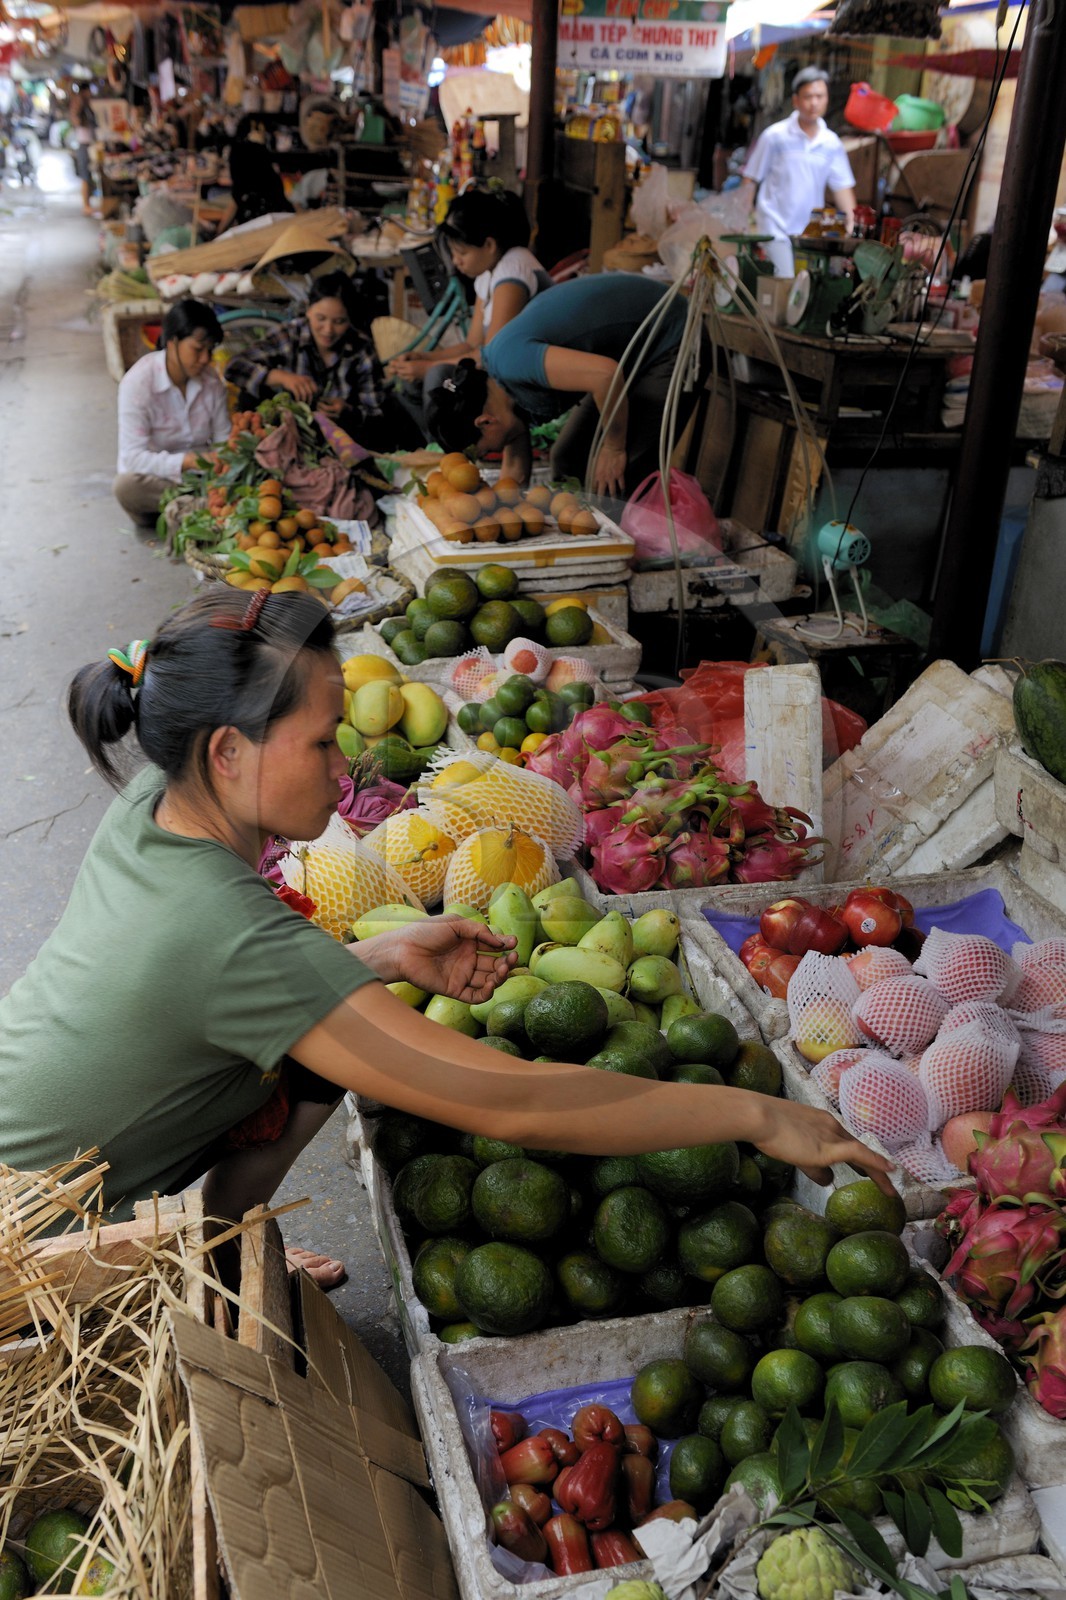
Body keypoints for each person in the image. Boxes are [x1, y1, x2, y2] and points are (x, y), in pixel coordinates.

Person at [0, 587, 894, 1287]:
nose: (345, 763)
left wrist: (379, 956)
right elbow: (515, 1103)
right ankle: (192, 1269)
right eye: (320, 744)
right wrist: (760, 1115)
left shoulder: (154, 802)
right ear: (228, 752)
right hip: (34, 1254)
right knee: (338, 1046)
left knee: (322, 1049)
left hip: (36, 1164)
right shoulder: (227, 930)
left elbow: (199, 993)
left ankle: (223, 1251)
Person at [424, 273, 709, 500]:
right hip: (624, 356)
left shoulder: (511, 362)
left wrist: (614, 448)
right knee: (568, 458)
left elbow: (605, 376)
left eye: (484, 450)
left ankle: (621, 556)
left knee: (621, 475)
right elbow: (515, 459)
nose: (488, 455)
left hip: (671, 337)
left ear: (484, 421)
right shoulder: (501, 396)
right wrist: (501, 510)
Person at [387, 188, 553, 385]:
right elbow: (472, 344)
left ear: (489, 245)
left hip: (532, 377)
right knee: (433, 378)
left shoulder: (513, 271)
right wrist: (425, 358)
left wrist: (428, 368)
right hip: (506, 368)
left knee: (438, 379)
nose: (456, 262)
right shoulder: (487, 275)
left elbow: (491, 356)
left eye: (462, 253)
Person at [224, 272, 389, 448]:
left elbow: (376, 413)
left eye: (339, 321)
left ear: (350, 319)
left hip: (340, 442)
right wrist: (282, 377)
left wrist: (348, 411)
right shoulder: (289, 336)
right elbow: (234, 367)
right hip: (284, 440)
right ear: (308, 309)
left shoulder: (361, 349)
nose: (328, 330)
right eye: (321, 318)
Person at [114, 298, 229, 529]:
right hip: (159, 481)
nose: (205, 359)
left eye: (209, 350)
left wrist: (223, 464)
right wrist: (188, 461)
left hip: (204, 479)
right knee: (126, 488)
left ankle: (193, 510)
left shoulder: (211, 381)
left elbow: (223, 441)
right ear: (173, 341)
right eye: (197, 349)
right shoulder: (138, 384)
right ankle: (204, 509)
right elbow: (132, 458)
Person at [738, 66, 857, 278]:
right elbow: (750, 180)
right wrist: (742, 221)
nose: (814, 103)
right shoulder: (775, 136)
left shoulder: (831, 143)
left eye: (819, 96)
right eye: (808, 97)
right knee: (785, 282)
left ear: (827, 99)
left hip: (812, 233)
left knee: (806, 289)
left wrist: (851, 225)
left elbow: (842, 189)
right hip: (774, 228)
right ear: (795, 100)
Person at [212, 116, 293, 234]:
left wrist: (218, 232)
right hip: (281, 223)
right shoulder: (262, 160)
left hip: (260, 229)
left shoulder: (239, 153)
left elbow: (237, 199)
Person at [70, 86, 97, 217]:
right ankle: (86, 205)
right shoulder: (79, 107)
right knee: (85, 176)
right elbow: (76, 121)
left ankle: (88, 204)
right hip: (83, 145)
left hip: (89, 144)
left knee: (88, 177)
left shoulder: (87, 107)